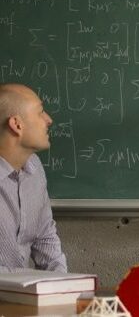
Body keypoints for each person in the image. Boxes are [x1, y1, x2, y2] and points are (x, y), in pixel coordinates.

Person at [0, 83, 67, 272]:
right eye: (40, 112)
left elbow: (45, 236)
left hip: (23, 296)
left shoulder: (34, 167)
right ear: (16, 125)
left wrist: (61, 285)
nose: (49, 119)